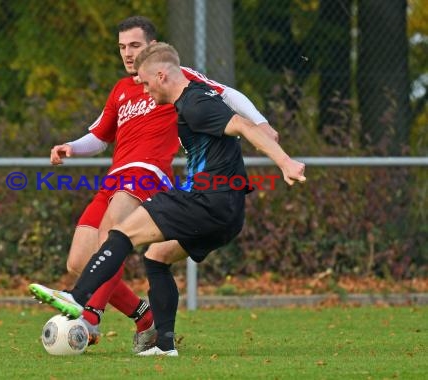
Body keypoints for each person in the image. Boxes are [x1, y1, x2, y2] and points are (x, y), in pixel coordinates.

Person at [40, 16, 278, 354]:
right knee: (79, 262)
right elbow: (99, 136)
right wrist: (72, 147)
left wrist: (262, 123)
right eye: (122, 46)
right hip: (114, 178)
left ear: (151, 48)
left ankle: (89, 314)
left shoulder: (171, 78)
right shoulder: (121, 89)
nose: (127, 53)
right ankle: (144, 316)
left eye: (134, 46)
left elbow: (230, 94)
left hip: (147, 173)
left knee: (113, 233)